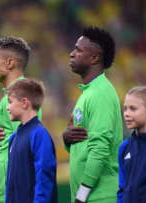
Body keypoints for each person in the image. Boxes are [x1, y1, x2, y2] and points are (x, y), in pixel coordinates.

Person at [62, 26, 123, 203]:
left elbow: (100, 148)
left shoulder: (101, 94)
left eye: (78, 50)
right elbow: (83, 144)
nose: (72, 54)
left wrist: (81, 195)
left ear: (94, 57)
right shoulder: (89, 92)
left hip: (100, 197)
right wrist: (67, 140)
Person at [0, 36, 41, 203]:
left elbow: (25, 147)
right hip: (6, 191)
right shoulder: (9, 98)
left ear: (10, 63)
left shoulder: (23, 96)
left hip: (15, 193)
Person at [5, 78, 57, 203]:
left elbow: (44, 177)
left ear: (24, 103)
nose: (7, 107)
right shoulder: (14, 138)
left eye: (10, 102)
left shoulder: (39, 134)